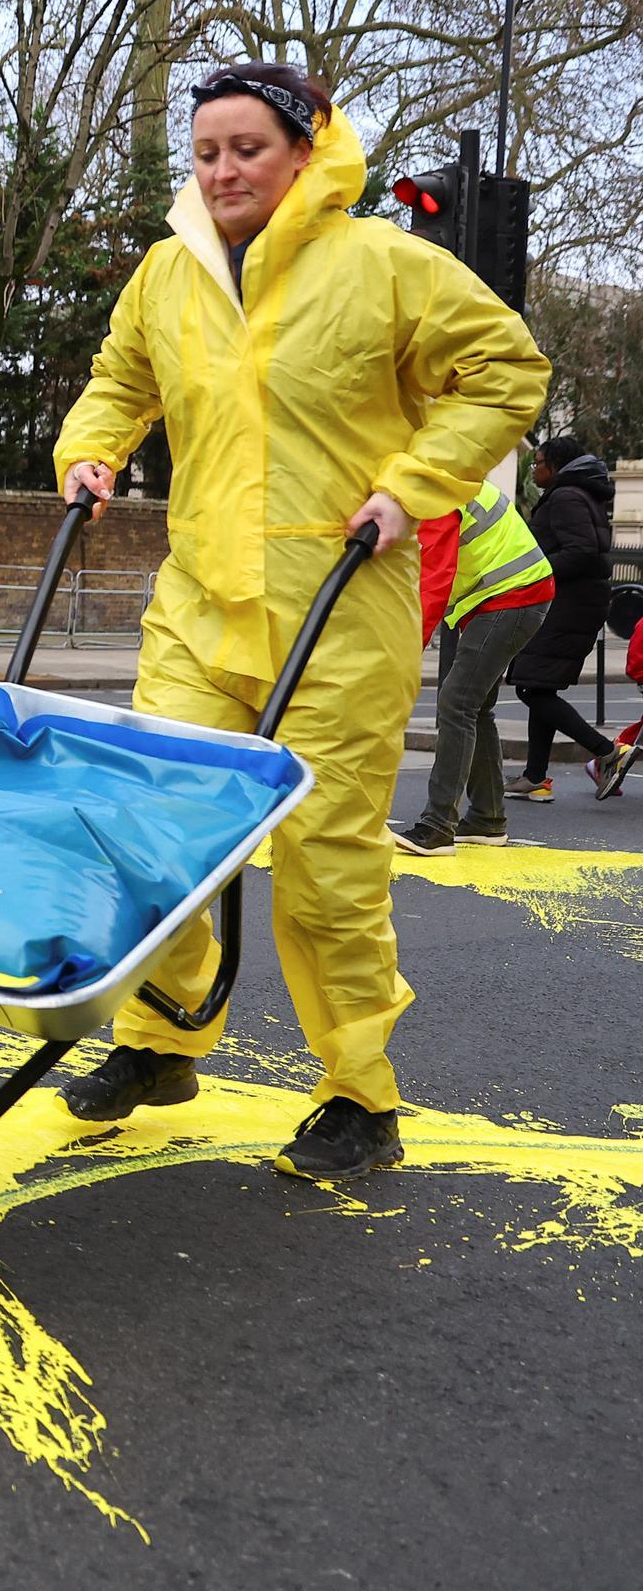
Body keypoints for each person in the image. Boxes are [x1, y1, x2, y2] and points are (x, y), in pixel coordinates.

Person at [53, 60, 549, 1179]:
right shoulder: (167, 276)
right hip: (199, 601)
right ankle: (162, 1041)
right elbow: (120, 378)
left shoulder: (385, 265)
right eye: (207, 152)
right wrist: (91, 450)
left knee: (323, 861)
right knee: (154, 831)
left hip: (338, 601)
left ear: (304, 151)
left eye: (247, 149)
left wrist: (416, 482)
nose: (223, 170)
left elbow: (507, 373)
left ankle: (359, 1094)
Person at [392, 481, 553, 855]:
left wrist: (405, 648)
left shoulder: (430, 487)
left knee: (456, 702)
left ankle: (437, 827)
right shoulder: (442, 474)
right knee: (474, 707)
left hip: (512, 595)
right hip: (511, 595)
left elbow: (434, 576)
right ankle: (487, 819)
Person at [505, 437, 637, 802]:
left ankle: (607, 751)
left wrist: (531, 571)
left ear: (558, 465)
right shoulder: (577, 495)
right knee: (539, 685)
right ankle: (535, 777)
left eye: (539, 463)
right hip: (574, 603)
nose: (534, 470)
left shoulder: (566, 497)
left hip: (567, 604)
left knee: (531, 687)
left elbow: (580, 553)